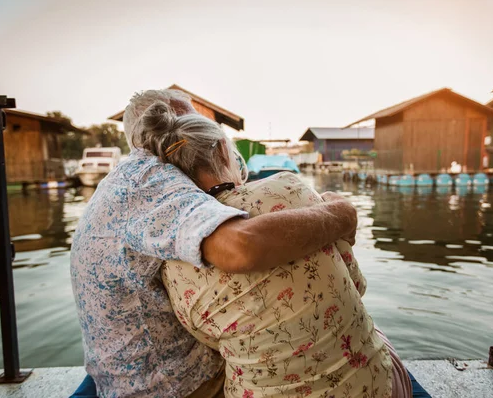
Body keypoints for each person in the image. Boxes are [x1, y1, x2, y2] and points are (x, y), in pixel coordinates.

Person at [70, 89, 359, 398]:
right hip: (172, 386)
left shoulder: (128, 177)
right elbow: (241, 247)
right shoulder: (151, 180)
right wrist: (341, 214)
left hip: (122, 375)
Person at [138, 101, 416, 397]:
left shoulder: (172, 261)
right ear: (222, 150)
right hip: (373, 389)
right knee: (375, 334)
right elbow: (356, 285)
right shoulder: (289, 187)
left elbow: (212, 341)